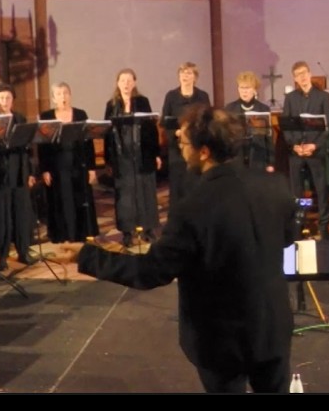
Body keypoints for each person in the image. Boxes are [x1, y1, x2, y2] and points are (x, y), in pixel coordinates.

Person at [77, 106, 296, 393]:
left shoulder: (192, 208)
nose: (180, 148)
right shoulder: (276, 185)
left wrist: (89, 256)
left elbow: (150, 272)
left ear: (203, 152)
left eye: (183, 144)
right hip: (272, 326)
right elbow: (287, 238)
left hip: (221, 340)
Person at [103, 69, 162, 245]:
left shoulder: (143, 102)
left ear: (135, 83)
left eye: (129, 80)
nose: (126, 84)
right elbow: (107, 134)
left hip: (142, 153)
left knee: (146, 191)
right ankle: (127, 232)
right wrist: (109, 159)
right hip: (122, 156)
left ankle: (148, 229)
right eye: (123, 80)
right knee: (125, 195)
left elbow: (152, 130)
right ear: (118, 83)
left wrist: (156, 154)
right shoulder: (111, 105)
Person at [39, 82, 100, 244]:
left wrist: (92, 168)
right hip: (57, 166)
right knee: (61, 199)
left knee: (79, 198)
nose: (63, 97)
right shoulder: (46, 116)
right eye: (59, 94)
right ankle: (63, 234)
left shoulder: (80, 114)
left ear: (70, 95)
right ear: (53, 98)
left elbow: (88, 143)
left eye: (65, 93)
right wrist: (44, 169)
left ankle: (81, 234)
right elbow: (42, 146)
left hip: (78, 163)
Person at [282, 62, 329, 239]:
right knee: (297, 191)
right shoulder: (290, 98)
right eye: (298, 74)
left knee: (321, 190)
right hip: (296, 152)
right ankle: (300, 224)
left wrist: (315, 145)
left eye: (304, 73)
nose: (302, 77)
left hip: (315, 151)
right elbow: (286, 126)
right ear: (294, 78)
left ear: (310, 74)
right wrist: (294, 145)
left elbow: (328, 127)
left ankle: (324, 226)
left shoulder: (323, 97)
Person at [0, 83, 36, 270]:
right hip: (1, 174)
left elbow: (28, 149)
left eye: (8, 98)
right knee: (2, 217)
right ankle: (2, 257)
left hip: (20, 172)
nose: (4, 101)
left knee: (21, 214)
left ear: (12, 100)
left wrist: (30, 173)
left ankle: (23, 251)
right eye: (1, 98)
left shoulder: (20, 118)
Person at [161, 62, 211, 207]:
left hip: (196, 146)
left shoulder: (202, 96)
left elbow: (207, 119)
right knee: (178, 184)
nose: (185, 76)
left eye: (189, 73)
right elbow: (165, 121)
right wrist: (177, 132)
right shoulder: (171, 96)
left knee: (196, 180)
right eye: (182, 73)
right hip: (177, 146)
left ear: (195, 77)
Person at [223, 71, 275, 175]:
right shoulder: (230, 108)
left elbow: (268, 138)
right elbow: (225, 136)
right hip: (236, 158)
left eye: (248, 88)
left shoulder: (263, 109)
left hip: (258, 157)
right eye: (241, 88)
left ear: (255, 89)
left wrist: (271, 162)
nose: (244, 91)